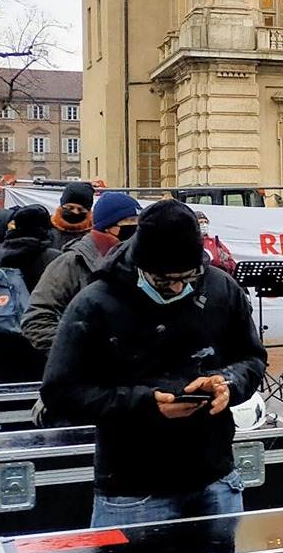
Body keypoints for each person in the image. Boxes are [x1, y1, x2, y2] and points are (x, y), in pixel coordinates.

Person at [44, 199, 268, 527]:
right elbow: (61, 393)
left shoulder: (221, 288)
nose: (177, 287)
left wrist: (227, 383)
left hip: (215, 476)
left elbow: (251, 358)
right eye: (165, 280)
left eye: (187, 278)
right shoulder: (95, 303)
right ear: (140, 266)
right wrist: (147, 403)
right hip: (133, 489)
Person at [23, 190, 141, 360]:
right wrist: (79, 353)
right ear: (108, 226)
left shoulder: (137, 260)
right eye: (130, 221)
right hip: (85, 374)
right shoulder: (71, 262)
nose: (136, 228)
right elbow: (37, 319)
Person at [0, 206, 58, 385]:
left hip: (5, 337)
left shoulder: (0, 257)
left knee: (6, 396)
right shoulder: (54, 258)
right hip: (40, 336)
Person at [47, 181, 96, 254]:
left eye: (80, 210)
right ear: (62, 207)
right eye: (70, 208)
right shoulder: (47, 229)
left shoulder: (94, 235)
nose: (75, 212)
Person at [195, 209, 238, 275]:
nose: (204, 225)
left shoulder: (215, 241)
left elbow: (231, 262)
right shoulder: (192, 242)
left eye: (206, 222)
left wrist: (224, 264)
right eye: (201, 222)